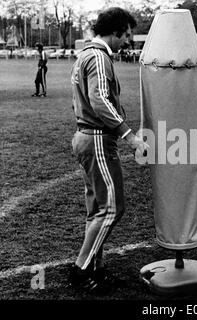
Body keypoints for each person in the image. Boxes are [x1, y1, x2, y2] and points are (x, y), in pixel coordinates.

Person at [69, 7, 148, 294]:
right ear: (114, 31)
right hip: (97, 139)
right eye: (126, 35)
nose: (128, 41)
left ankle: (96, 269)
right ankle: (81, 269)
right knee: (112, 208)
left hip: (86, 136)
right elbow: (100, 99)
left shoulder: (85, 55)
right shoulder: (99, 57)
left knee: (98, 209)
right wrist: (130, 137)